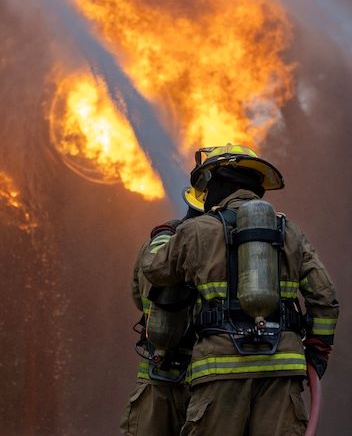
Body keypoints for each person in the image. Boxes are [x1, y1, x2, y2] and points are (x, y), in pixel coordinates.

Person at [142, 144, 339, 436]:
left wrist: (162, 237)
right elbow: (325, 298)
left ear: (220, 184)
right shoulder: (289, 231)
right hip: (282, 368)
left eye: (209, 186)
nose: (206, 195)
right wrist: (317, 350)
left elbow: (154, 270)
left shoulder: (197, 231)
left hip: (219, 369)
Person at [120, 187, 204, 436]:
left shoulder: (157, 242)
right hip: (207, 379)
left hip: (157, 373)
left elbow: (139, 297)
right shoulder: (222, 246)